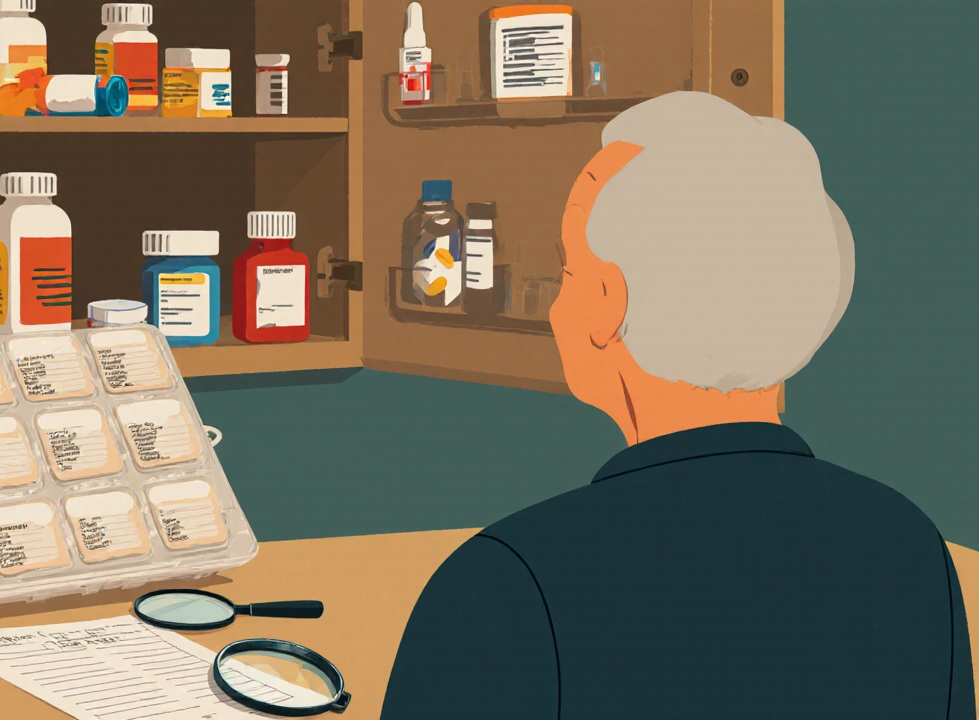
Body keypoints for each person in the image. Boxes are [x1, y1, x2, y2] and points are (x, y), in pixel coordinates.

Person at [380, 91, 974, 719]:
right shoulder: (908, 545)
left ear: (610, 303)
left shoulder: (507, 584)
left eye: (568, 272)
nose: (555, 306)